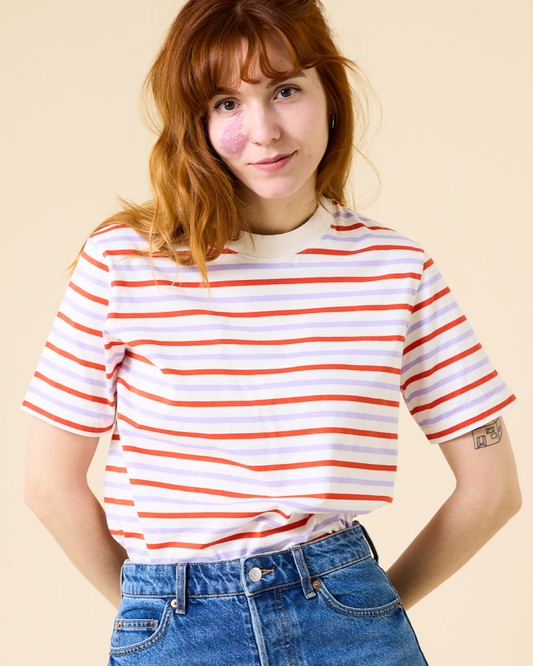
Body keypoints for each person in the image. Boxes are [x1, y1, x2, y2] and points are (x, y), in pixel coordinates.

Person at [22, 1, 521, 664]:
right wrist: (157, 613)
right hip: (177, 617)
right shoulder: (126, 261)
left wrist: (371, 608)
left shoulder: (394, 268)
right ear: (196, 122)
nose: (263, 131)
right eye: (226, 103)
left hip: (349, 614)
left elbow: (492, 488)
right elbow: (49, 482)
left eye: (285, 90)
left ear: (329, 94)